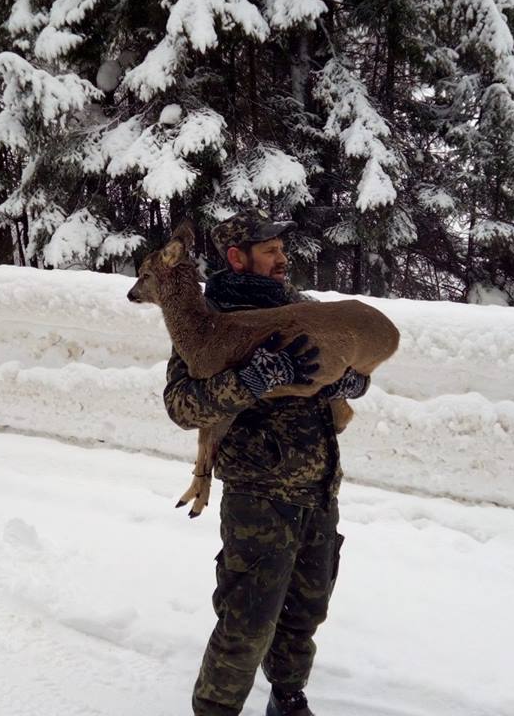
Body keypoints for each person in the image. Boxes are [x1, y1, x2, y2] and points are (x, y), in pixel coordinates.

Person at [163, 208, 371, 716]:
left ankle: (288, 696)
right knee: (248, 619)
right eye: (270, 250)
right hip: (259, 496)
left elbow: (352, 365)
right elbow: (181, 405)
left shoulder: (304, 309)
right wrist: (249, 382)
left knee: (306, 610)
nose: (283, 258)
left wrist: (351, 382)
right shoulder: (208, 322)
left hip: (319, 488)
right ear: (237, 258)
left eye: (282, 248)